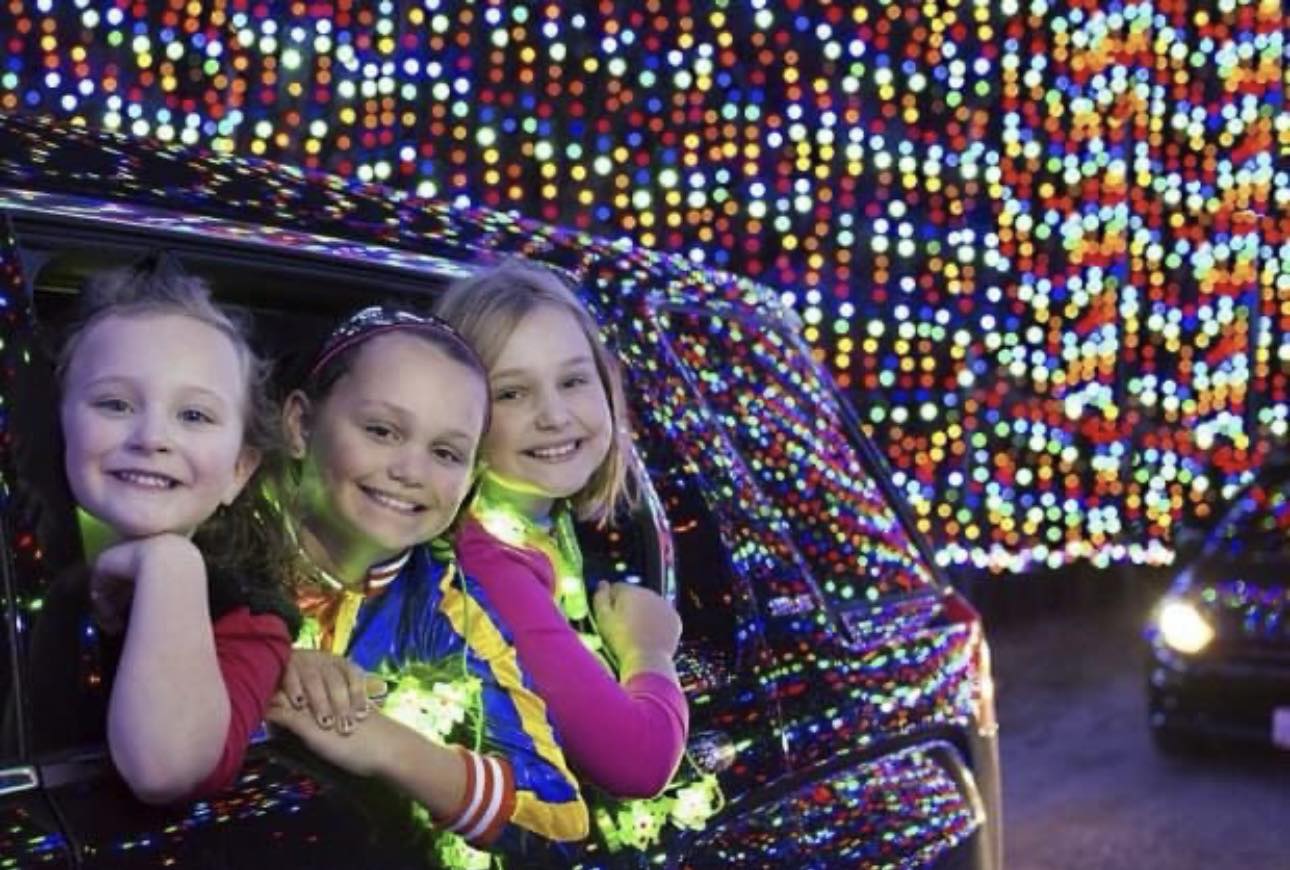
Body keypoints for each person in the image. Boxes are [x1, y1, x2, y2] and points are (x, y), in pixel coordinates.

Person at [262, 305, 588, 856]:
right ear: (300, 424)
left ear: (470, 480)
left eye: (445, 452)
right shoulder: (207, 538)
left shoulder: (452, 609)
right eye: (382, 431)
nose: (411, 472)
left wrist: (390, 748)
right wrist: (261, 661)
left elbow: (557, 818)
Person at [36, 254, 300, 804]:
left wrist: (169, 565)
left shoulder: (248, 618)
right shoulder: (24, 560)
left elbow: (165, 767)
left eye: (195, 416)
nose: (153, 437)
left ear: (239, 470)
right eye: (114, 404)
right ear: (58, 426)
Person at [435, 261, 689, 800]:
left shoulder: (538, 525)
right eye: (511, 393)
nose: (553, 415)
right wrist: (649, 650)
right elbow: (636, 761)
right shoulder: (485, 560)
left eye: (573, 381)